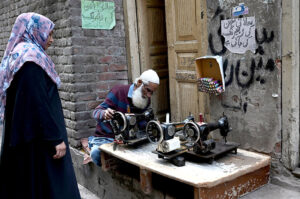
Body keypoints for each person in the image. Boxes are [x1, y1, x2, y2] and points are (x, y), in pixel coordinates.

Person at [0, 13, 81, 199]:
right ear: (34, 31)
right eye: (49, 34)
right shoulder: (30, 59)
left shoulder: (18, 54)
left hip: (27, 136)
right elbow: (38, 103)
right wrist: (55, 138)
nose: (51, 40)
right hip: (39, 140)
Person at [88, 69, 160, 166]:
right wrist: (104, 113)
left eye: (152, 93)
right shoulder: (118, 91)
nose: (149, 95)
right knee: (96, 153)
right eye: (148, 90)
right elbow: (96, 112)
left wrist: (153, 125)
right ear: (139, 83)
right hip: (108, 138)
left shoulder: (146, 99)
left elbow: (142, 123)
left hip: (129, 141)